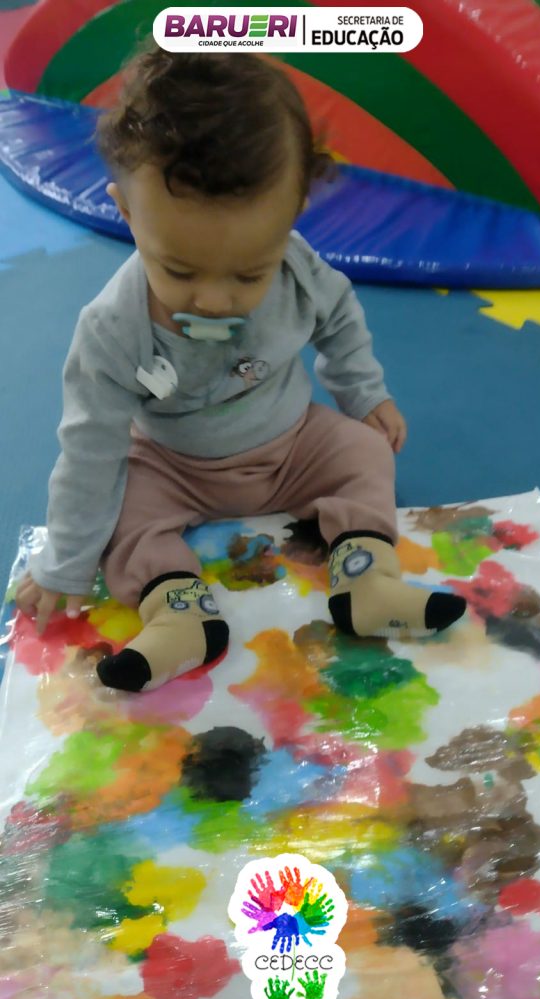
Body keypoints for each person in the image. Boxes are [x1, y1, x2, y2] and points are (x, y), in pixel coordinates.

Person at [15, 47, 466, 693]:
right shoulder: (112, 329)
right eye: (180, 270)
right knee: (120, 515)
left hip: (292, 446)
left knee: (365, 452)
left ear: (291, 220)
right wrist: (63, 564)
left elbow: (339, 317)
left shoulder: (298, 269)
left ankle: (367, 581)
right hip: (174, 467)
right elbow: (89, 451)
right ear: (127, 214)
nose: (214, 300)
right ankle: (180, 618)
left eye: (249, 274)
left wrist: (364, 393)